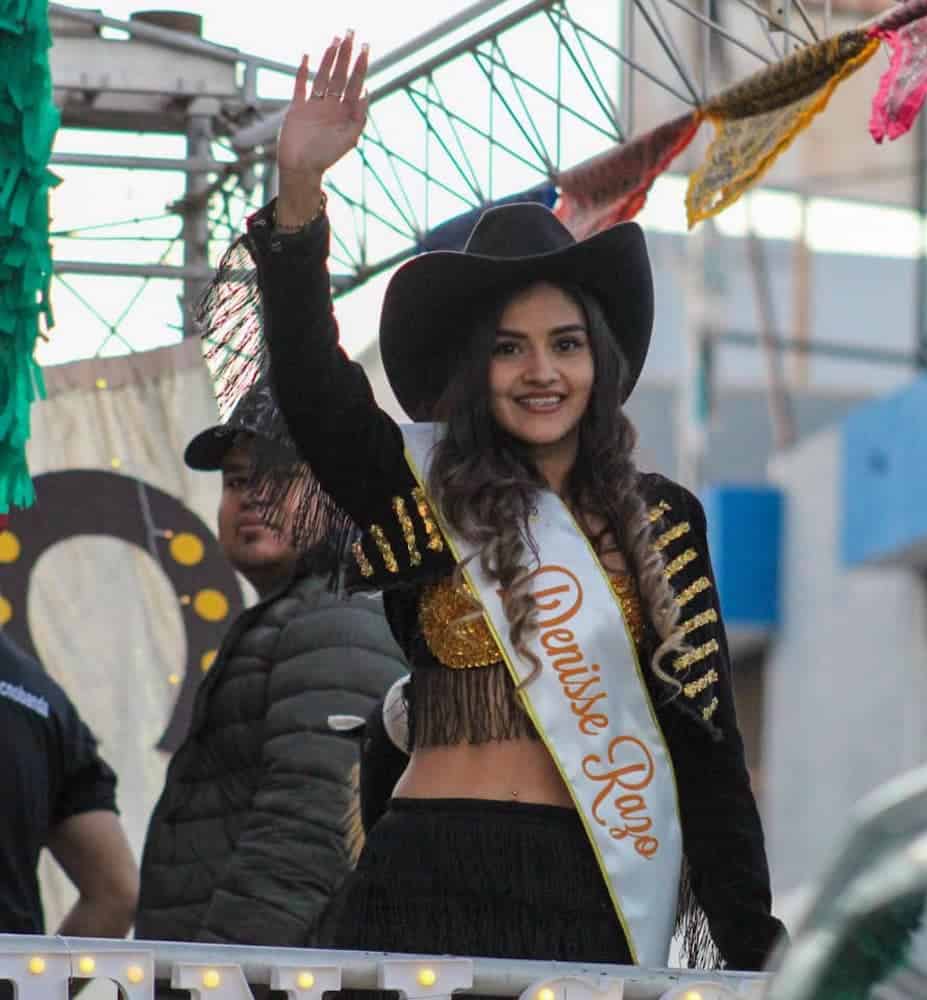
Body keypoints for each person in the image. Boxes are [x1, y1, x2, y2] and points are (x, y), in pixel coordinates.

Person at [203, 32, 786, 971]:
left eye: (565, 343)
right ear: (475, 371)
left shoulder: (664, 519)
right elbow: (314, 388)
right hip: (421, 881)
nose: (541, 371)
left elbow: (707, 756)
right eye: (510, 348)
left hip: (588, 895)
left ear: (600, 360)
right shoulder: (422, 489)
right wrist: (303, 192)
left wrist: (757, 957)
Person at [134, 378, 408, 946]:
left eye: (279, 477)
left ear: (336, 491)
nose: (251, 495)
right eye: (236, 480)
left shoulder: (338, 615)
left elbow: (307, 836)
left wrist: (215, 983)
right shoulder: (302, 614)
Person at [0, 631, 138, 938]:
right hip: (9, 974)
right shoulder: (42, 697)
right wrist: (41, 986)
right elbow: (116, 894)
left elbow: (117, 895)